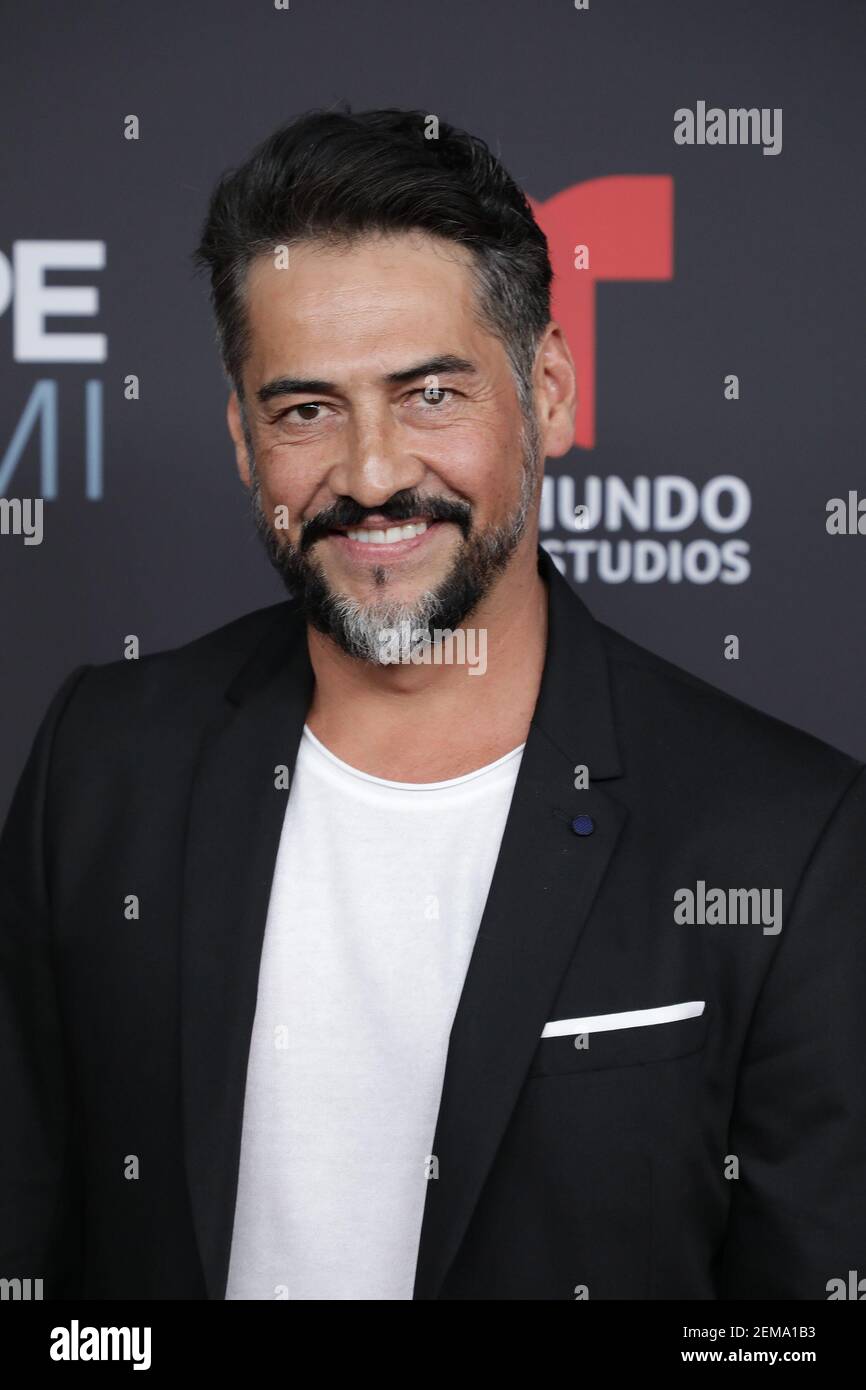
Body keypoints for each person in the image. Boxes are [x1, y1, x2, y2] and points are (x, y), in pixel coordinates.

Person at [1, 108, 864, 1301]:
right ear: (246, 446)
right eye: (304, 410)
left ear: (548, 392)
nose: (369, 473)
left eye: (428, 396)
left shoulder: (785, 834)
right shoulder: (100, 767)